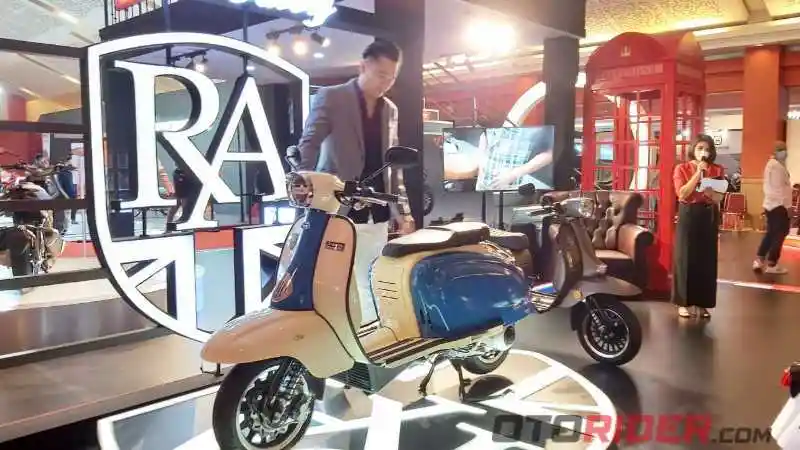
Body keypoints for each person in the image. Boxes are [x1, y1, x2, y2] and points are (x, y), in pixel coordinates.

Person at [297, 39, 415, 325]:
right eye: (381, 75)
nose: (386, 83)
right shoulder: (332, 97)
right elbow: (308, 145)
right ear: (363, 66)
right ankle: (340, 331)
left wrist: (403, 211)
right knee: (334, 280)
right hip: (338, 207)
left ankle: (371, 334)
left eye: (392, 77)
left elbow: (393, 167)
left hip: (377, 211)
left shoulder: (390, 109)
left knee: (371, 277)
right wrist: (303, 185)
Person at [672, 134, 725, 319]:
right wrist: (698, 173)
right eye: (700, 148)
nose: (704, 152)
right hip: (689, 213)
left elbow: (720, 196)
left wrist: (712, 193)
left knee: (706, 260)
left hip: (708, 214)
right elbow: (682, 193)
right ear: (693, 149)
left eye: (708, 149)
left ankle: (702, 304)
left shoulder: (717, 169)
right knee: (686, 257)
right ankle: (683, 303)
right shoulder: (681, 168)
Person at [753, 142, 792, 274]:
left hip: (772, 205)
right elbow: (780, 190)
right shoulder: (776, 167)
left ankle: (759, 260)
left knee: (771, 233)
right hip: (779, 205)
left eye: (784, 149)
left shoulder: (773, 165)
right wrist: (788, 207)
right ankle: (772, 264)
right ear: (775, 151)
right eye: (781, 150)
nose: (784, 152)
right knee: (779, 234)